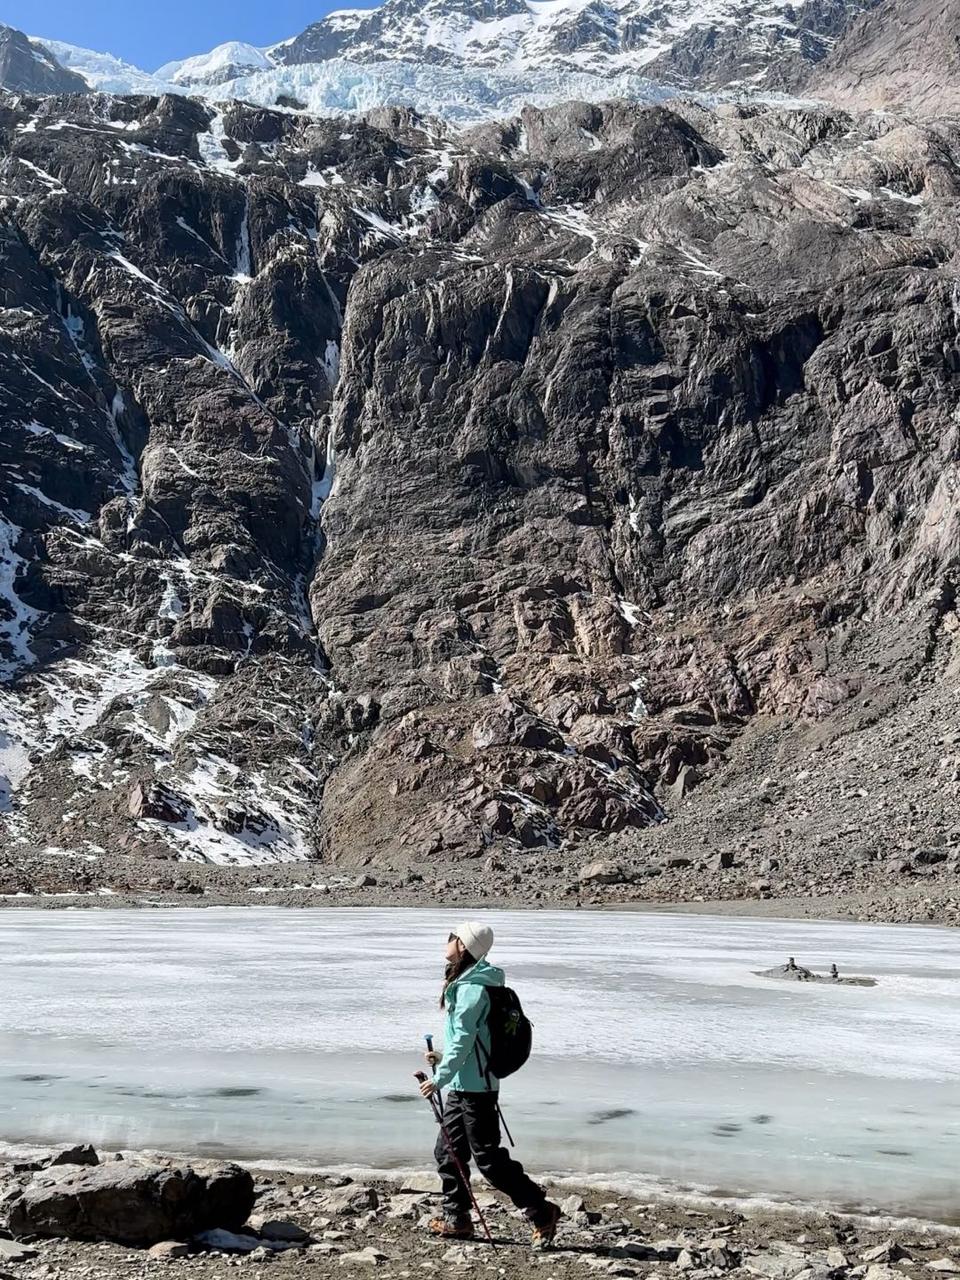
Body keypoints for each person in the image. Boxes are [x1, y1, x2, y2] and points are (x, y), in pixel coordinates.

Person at [420, 921, 561, 1246]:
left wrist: (438, 1078)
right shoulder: (469, 983)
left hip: (477, 1090)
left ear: (465, 947)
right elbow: (467, 1044)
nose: (447, 941)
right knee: (448, 1151)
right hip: (464, 1083)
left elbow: (464, 1044)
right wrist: (443, 1061)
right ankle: (457, 1220)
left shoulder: (472, 990)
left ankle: (541, 1212)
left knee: (489, 1160)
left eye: (452, 938)